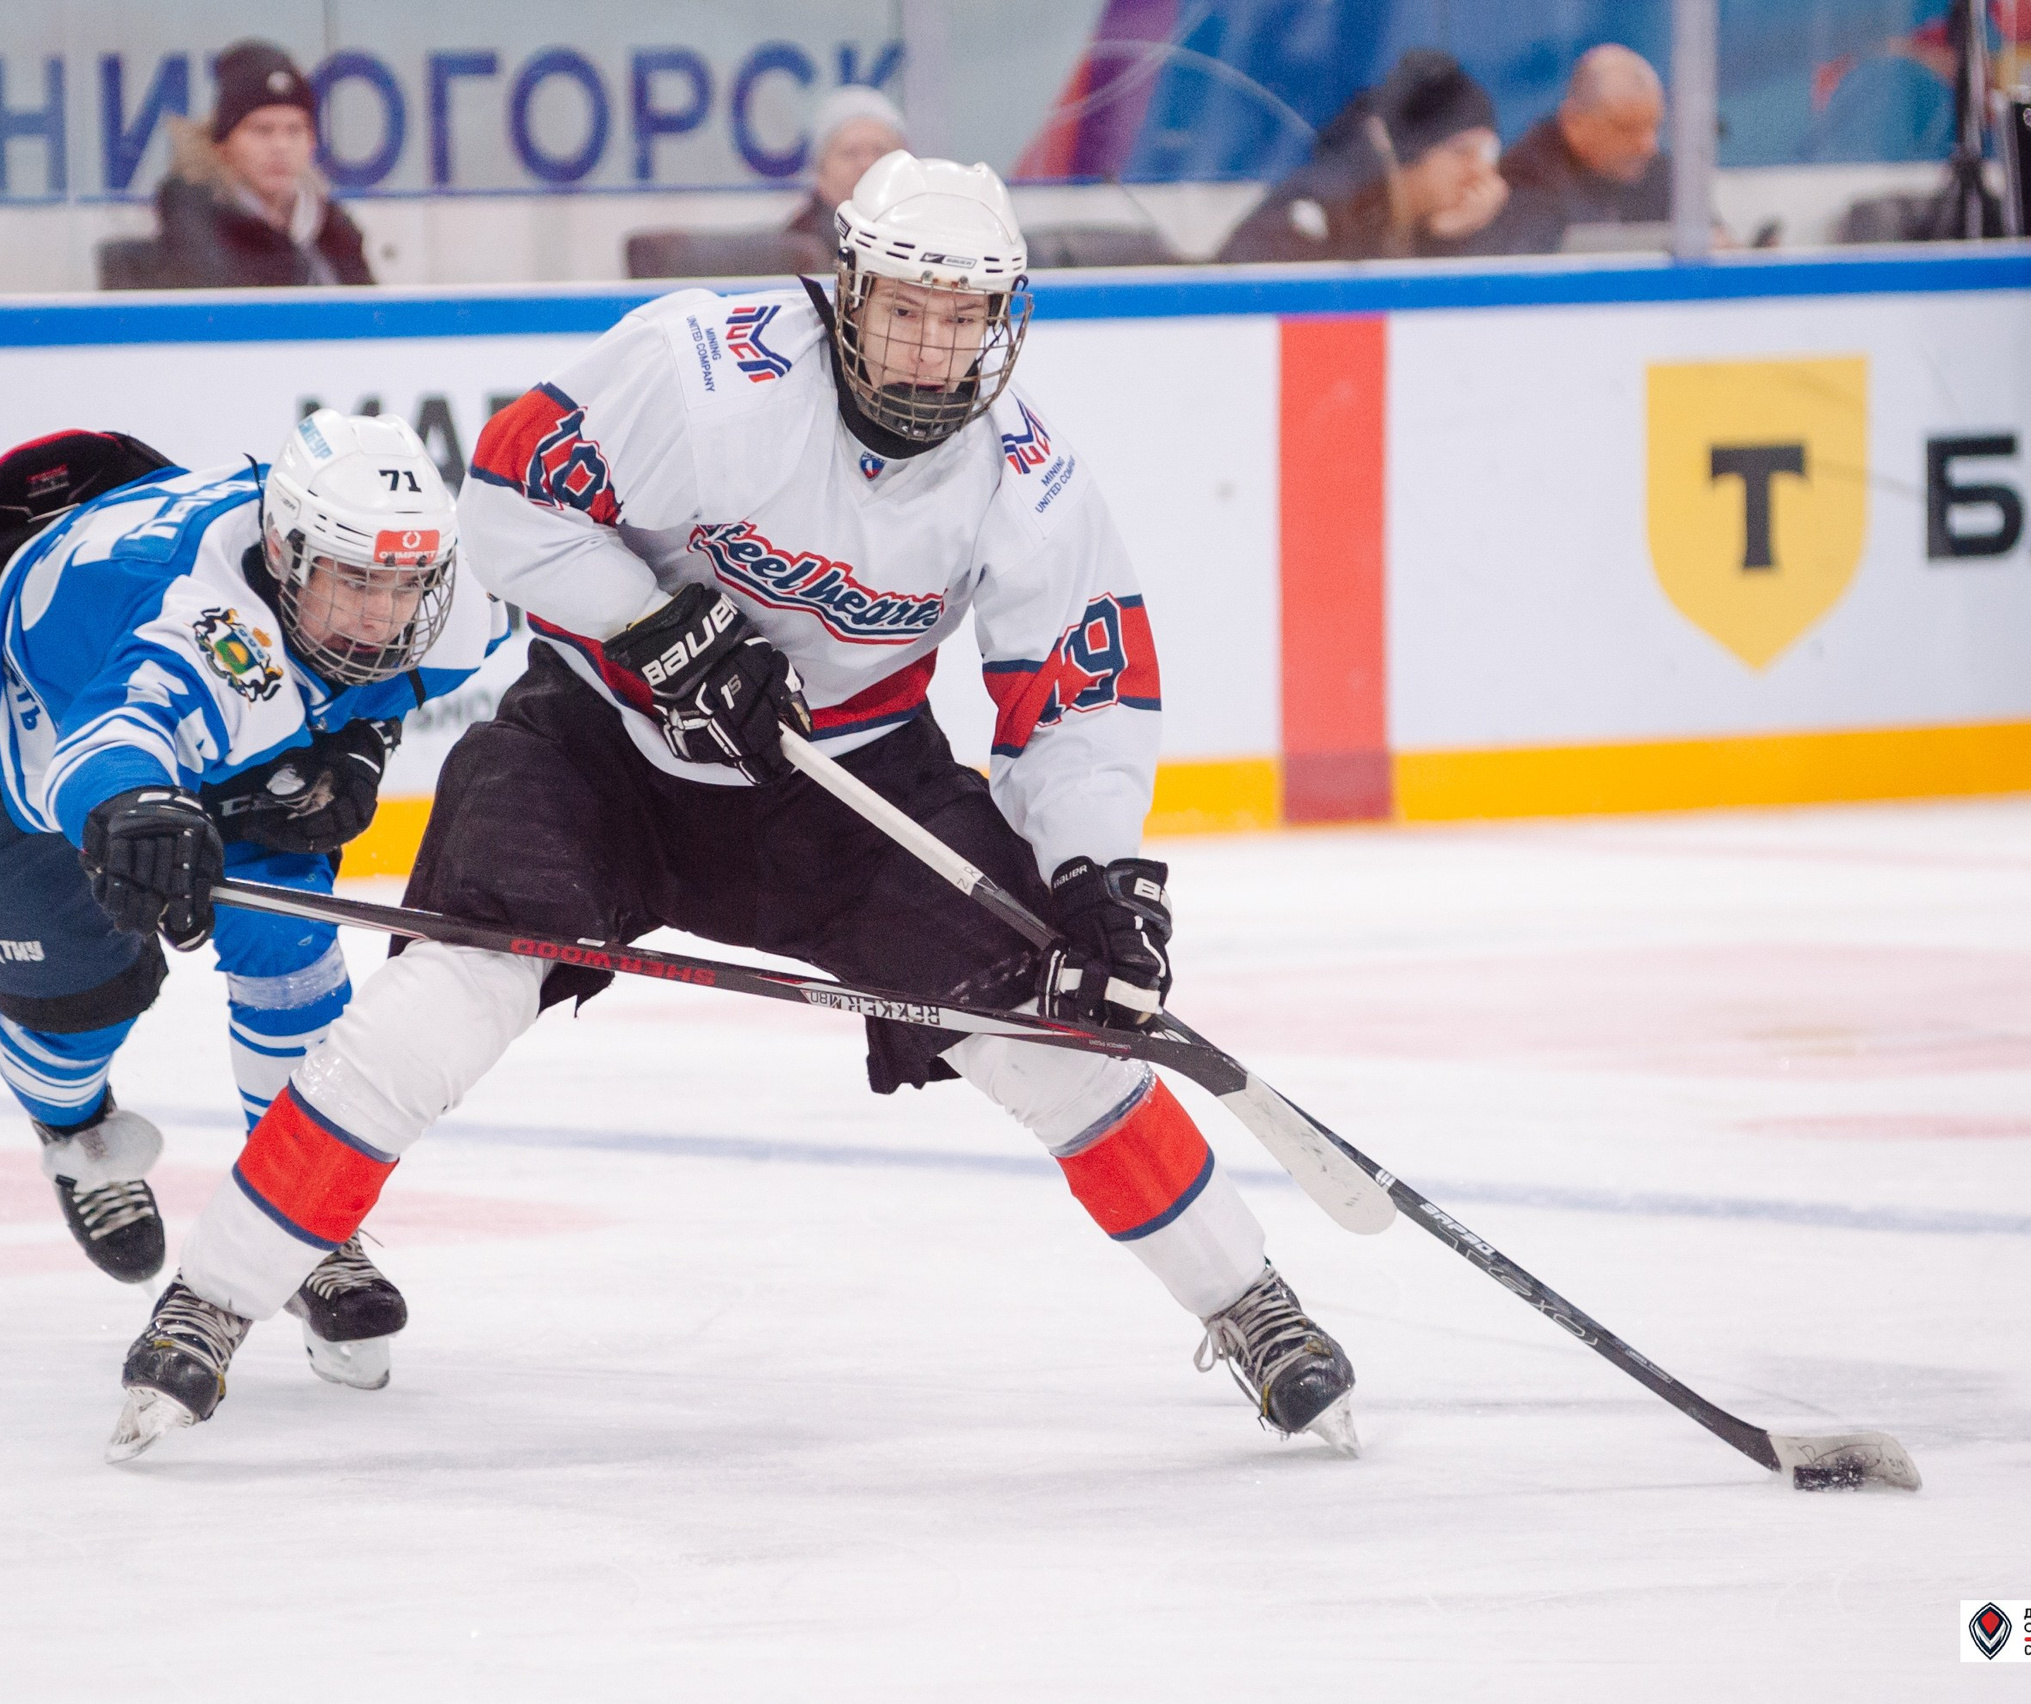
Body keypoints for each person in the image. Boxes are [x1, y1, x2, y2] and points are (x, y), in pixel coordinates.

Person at [104, 151, 1359, 1462]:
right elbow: (509, 499)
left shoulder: (1026, 478)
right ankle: (212, 1302)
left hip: (848, 790)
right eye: (905, 308)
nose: (931, 348)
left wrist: (1097, 876)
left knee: (1049, 1032)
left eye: (963, 317)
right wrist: (658, 627)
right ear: (848, 291)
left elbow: (1076, 694)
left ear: (1004, 322)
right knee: (440, 1007)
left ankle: (1250, 1306)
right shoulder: (703, 370)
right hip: (599, 750)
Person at [0, 409, 505, 1391]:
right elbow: (112, 737)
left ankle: (306, 1219)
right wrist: (136, 808)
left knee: (286, 934)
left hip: (194, 685)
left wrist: (359, 743)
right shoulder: (199, 622)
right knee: (76, 1003)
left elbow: (398, 672)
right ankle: (74, 1133)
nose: (382, 615)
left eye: (404, 584)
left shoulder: (435, 600)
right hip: (6, 694)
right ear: (286, 557)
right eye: (357, 581)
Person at [1216, 49, 1508, 263]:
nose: (1481, 171)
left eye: (1488, 152)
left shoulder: (1429, 227)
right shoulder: (1319, 213)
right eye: (1461, 151)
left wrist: (1452, 239)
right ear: (1403, 150)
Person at [145, 40, 374, 288]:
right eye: (262, 130)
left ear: (311, 142)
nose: (280, 146)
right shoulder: (194, 221)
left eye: (294, 130)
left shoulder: (332, 230)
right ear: (223, 144)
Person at [1486, 45, 1670, 253]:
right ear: (1574, 122)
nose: (1647, 146)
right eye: (1627, 129)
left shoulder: (1663, 174)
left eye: (1654, 127)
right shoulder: (1525, 182)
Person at [783, 85, 909, 248]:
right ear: (820, 172)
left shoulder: (934, 237)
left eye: (880, 151)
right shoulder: (795, 249)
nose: (867, 165)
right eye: (850, 153)